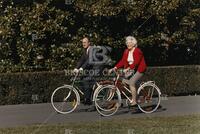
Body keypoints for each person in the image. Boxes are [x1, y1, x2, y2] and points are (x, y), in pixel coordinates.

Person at [109, 36, 147, 106]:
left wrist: (127, 69)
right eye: (127, 43)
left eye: (130, 43)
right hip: (131, 69)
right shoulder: (126, 51)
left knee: (131, 82)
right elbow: (122, 61)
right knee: (121, 81)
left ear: (133, 44)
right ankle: (120, 102)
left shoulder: (137, 51)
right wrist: (114, 68)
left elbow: (136, 62)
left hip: (139, 69)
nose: (128, 44)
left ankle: (134, 101)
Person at [73, 37, 94, 105]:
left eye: (85, 42)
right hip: (89, 70)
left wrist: (82, 68)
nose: (83, 44)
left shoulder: (92, 50)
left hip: (95, 70)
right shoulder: (85, 50)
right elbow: (81, 60)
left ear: (89, 43)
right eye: (82, 42)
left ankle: (88, 99)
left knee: (86, 80)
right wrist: (76, 68)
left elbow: (89, 61)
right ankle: (87, 97)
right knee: (81, 80)